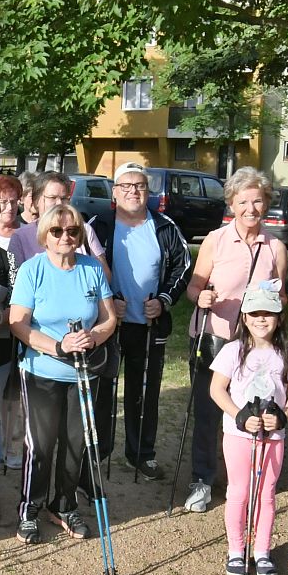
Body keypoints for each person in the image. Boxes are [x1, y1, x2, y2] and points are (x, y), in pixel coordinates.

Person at [179, 167, 288, 513]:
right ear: (232, 203)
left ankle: (246, 478)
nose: (251, 209)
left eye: (258, 201)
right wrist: (200, 297)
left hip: (256, 345)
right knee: (209, 412)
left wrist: (273, 305)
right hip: (215, 337)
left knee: (255, 410)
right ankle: (202, 479)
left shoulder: (275, 247)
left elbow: (282, 298)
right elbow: (193, 287)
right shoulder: (216, 240)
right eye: (243, 202)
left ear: (266, 203)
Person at [8, 204, 118, 545]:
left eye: (72, 231)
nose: (65, 237)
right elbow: (18, 324)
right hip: (41, 370)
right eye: (57, 231)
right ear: (45, 236)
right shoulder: (32, 270)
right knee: (40, 446)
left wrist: (93, 337)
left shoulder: (92, 269)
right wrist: (57, 346)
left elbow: (109, 318)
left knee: (75, 444)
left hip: (83, 372)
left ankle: (65, 504)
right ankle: (29, 509)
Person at [90, 162, 191, 480]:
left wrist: (164, 300)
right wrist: (109, 298)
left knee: (144, 391)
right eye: (126, 186)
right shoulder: (98, 225)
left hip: (148, 324)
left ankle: (141, 454)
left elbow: (183, 266)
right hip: (109, 324)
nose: (134, 191)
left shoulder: (163, 225)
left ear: (148, 192)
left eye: (140, 186)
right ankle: (98, 451)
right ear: (115, 192)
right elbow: (84, 267)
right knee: (103, 390)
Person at [208, 284, 288, 575]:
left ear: (278, 317)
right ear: (245, 317)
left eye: (268, 314)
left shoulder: (286, 354)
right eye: (254, 314)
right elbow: (216, 389)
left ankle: (262, 551)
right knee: (239, 491)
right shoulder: (232, 350)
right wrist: (239, 415)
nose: (261, 320)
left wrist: (284, 416)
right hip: (239, 436)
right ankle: (236, 550)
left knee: (266, 494)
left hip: (272, 437)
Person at [0, 174, 26, 473]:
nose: (9, 207)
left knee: (15, 395)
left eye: (13, 201)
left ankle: (13, 448)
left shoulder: (26, 235)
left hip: (18, 325)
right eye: (2, 201)